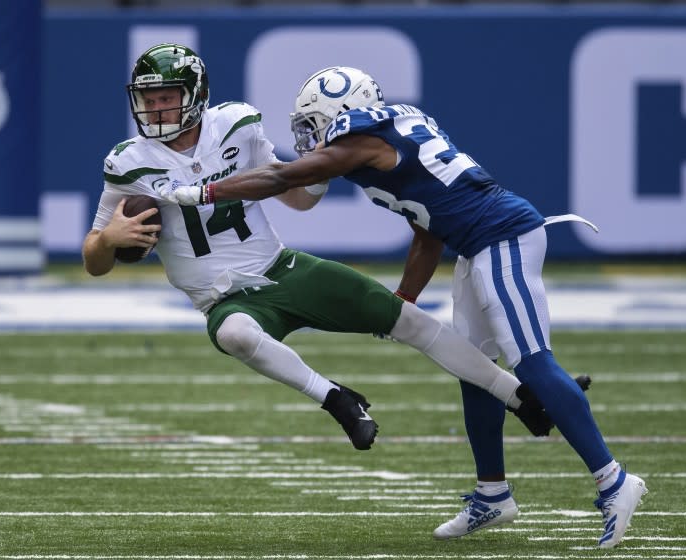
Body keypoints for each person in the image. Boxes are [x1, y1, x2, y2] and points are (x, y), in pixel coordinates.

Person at [164, 66, 648, 548]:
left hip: (502, 237)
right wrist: (403, 300)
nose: (309, 135)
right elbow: (427, 230)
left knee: (534, 363)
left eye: (314, 122)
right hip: (475, 244)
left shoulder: (360, 139)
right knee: (479, 370)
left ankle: (614, 481)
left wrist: (205, 191)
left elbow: (286, 175)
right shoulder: (394, 131)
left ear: (342, 111)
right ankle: (493, 494)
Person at [82, 45, 553, 456]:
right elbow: (93, 260)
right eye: (149, 98)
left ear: (196, 95)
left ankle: (521, 398)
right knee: (236, 337)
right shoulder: (128, 164)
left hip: (283, 268)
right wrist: (108, 240)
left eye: (167, 97)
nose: (157, 108)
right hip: (225, 299)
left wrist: (321, 166)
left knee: (406, 317)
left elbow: (299, 199)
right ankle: (338, 400)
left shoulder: (236, 125)